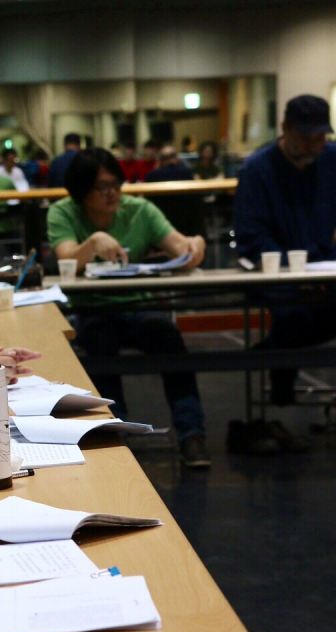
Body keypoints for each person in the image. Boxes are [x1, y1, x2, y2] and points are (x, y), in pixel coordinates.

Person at [232, 94, 336, 431]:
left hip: (328, 259)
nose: (313, 145)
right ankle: (282, 360)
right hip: (278, 268)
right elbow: (251, 235)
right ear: (285, 129)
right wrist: (294, 271)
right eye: (305, 137)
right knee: (293, 309)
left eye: (319, 137)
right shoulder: (257, 170)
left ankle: (274, 352)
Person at [48, 148, 212, 468]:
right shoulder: (62, 212)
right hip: (92, 308)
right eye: (101, 187)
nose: (112, 193)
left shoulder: (139, 209)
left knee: (170, 340)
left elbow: (180, 247)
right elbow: (66, 258)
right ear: (81, 191)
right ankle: (116, 434)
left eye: (116, 185)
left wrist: (194, 247)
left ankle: (192, 434)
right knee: (100, 345)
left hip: (138, 304)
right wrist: (92, 243)